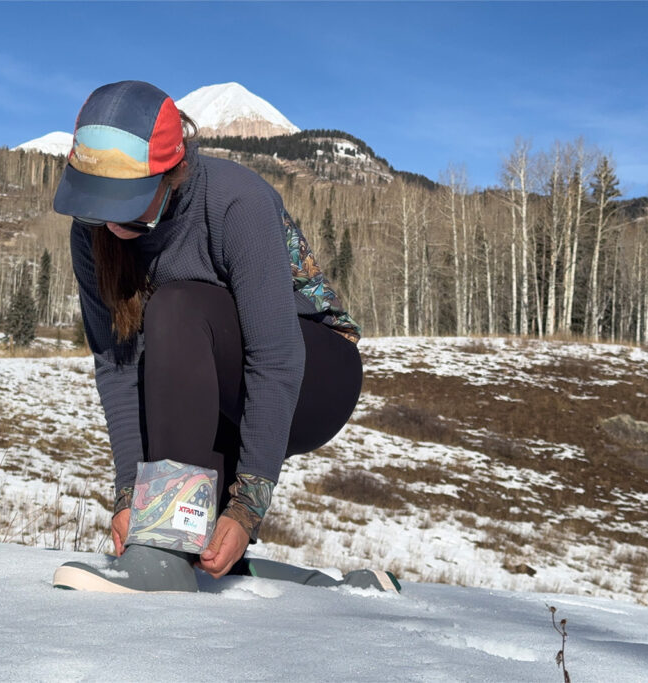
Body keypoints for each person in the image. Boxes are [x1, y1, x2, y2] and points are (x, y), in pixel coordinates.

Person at [50, 81, 397, 594]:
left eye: (127, 199)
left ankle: (165, 548)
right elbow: (118, 366)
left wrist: (247, 505)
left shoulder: (235, 200)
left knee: (178, 304)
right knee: (201, 548)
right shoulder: (92, 231)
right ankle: (341, 592)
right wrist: (130, 496)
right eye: (99, 201)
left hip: (315, 376)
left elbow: (276, 359)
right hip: (212, 386)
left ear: (174, 172)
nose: (112, 218)